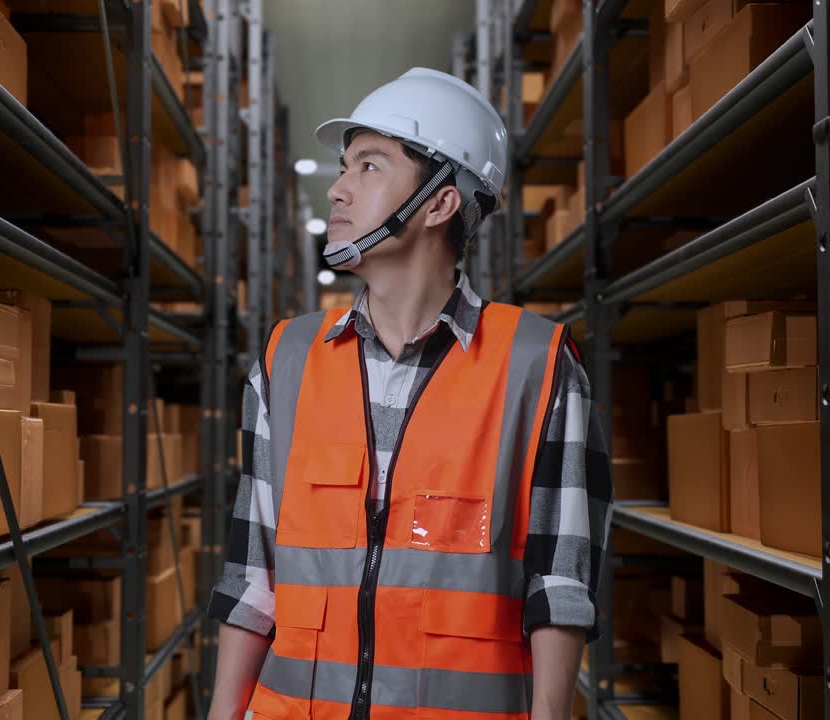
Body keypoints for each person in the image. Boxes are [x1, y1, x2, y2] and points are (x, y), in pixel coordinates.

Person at [207, 67, 612, 720]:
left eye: (368, 167)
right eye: (344, 167)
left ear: (440, 202)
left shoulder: (537, 368)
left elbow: (560, 590)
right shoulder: (285, 361)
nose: (337, 190)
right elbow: (251, 583)